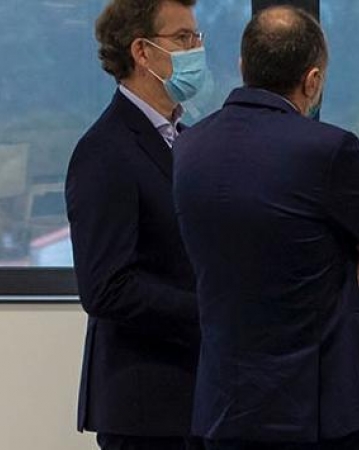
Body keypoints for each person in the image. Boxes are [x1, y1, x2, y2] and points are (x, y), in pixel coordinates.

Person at [172, 6, 359, 450]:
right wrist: (347, 261)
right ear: (313, 80)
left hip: (224, 406)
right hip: (319, 409)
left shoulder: (188, 148)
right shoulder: (330, 150)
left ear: (243, 67)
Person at [65, 1, 207, 449]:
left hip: (200, 398)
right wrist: (212, 310)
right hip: (146, 409)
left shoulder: (186, 139)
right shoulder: (105, 151)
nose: (196, 50)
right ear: (142, 52)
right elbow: (107, 287)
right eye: (183, 38)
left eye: (197, 38)